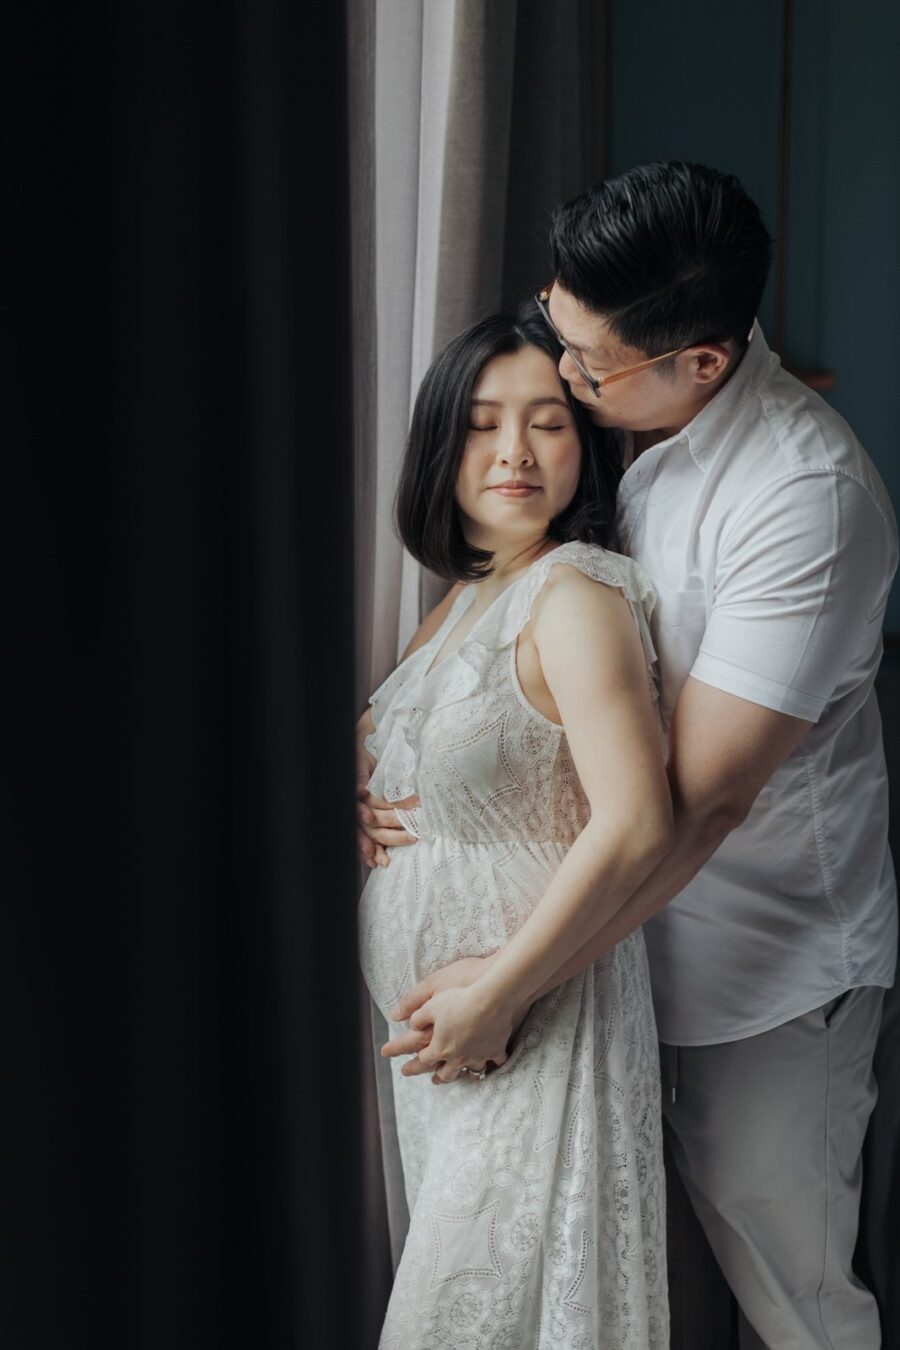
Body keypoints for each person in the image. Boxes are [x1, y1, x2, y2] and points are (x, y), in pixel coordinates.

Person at [369, 162, 899, 1350]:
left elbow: (694, 807)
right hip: (590, 964)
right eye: (558, 328)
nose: (556, 378)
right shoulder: (614, 417)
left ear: (698, 366)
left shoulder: (802, 499)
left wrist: (511, 985)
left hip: (755, 970)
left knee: (789, 1291)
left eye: (580, 371)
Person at [357, 309, 673, 1348]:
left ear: (587, 450)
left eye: (550, 423)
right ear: (442, 445)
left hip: (530, 1021)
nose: (516, 453)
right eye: (486, 424)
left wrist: (496, 994)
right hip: (447, 1058)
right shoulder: (464, 598)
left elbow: (636, 823)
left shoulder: (572, 594)